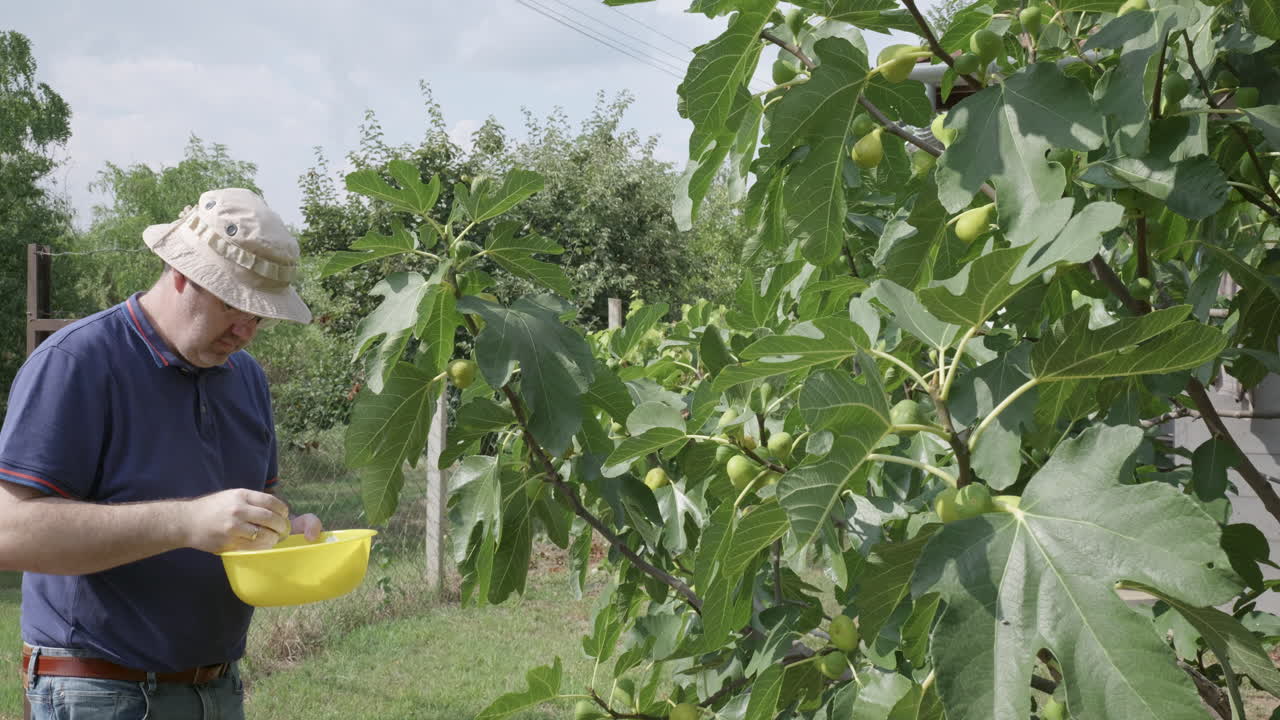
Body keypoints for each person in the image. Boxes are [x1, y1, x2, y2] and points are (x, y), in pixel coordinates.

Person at [0, 188, 324, 719]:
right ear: (181, 273)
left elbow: (246, 518)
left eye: (259, 317)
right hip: (100, 691)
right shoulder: (78, 362)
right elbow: (8, 533)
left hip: (219, 688)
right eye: (233, 306)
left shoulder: (247, 380)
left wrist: (284, 535)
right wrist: (187, 522)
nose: (246, 332)